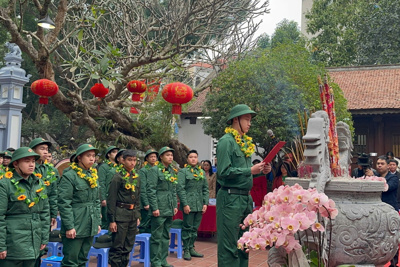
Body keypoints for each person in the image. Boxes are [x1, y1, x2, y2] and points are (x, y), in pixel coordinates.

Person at [216, 104, 271, 267]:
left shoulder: (244, 142)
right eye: (246, 119)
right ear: (235, 119)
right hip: (230, 198)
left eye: (250, 120)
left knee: (244, 244)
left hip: (245, 198)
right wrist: (250, 170)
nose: (250, 123)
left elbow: (246, 172)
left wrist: (262, 170)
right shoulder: (226, 141)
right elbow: (223, 172)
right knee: (229, 246)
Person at [0, 147, 50, 267]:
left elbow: (44, 213)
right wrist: (1, 245)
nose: (31, 165)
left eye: (33, 161)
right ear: (16, 163)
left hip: (34, 242)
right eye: (27, 161)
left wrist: (44, 238)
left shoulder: (39, 183)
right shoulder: (5, 184)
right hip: (13, 244)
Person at [58, 144, 101, 267]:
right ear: (79, 158)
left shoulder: (93, 175)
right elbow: (64, 203)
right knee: (71, 262)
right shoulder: (69, 176)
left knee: (83, 259)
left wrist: (97, 221)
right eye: (88, 156)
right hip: (76, 223)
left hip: (90, 223)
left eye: (93, 156)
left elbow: (96, 201)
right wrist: (69, 226)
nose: (92, 159)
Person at [107, 150, 141, 267]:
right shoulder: (118, 177)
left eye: (134, 160)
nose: (132, 163)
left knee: (128, 245)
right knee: (118, 246)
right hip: (120, 214)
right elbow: (111, 199)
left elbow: (137, 198)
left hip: (132, 215)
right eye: (129, 160)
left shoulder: (136, 176)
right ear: (123, 161)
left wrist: (137, 215)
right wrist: (112, 220)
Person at [147, 146, 178, 267]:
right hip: (159, 207)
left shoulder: (171, 170)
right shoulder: (154, 170)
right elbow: (151, 190)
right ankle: (155, 262)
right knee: (156, 236)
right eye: (167, 155)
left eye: (171, 155)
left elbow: (173, 189)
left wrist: (174, 205)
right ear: (161, 157)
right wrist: (154, 207)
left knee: (166, 235)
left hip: (169, 207)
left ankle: (163, 260)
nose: (170, 157)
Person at [177, 150, 209, 261]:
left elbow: (205, 189)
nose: (193, 159)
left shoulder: (201, 172)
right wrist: (185, 204)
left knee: (195, 228)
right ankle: (186, 249)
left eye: (195, 157)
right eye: (191, 157)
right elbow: (180, 189)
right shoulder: (183, 172)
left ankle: (192, 248)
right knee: (187, 227)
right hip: (189, 204)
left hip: (199, 204)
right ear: (187, 159)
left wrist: (205, 203)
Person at [29, 138, 59, 228]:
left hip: (45, 213)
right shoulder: (28, 169)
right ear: (33, 150)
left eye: (46, 149)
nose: (45, 152)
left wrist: (53, 214)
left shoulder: (51, 170)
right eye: (42, 149)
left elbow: (54, 193)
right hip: (30, 212)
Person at [98, 145, 119, 230]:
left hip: (117, 197)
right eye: (114, 152)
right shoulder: (104, 167)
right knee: (107, 219)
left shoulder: (119, 167)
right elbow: (101, 183)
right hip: (107, 196)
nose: (116, 154)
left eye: (117, 152)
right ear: (108, 155)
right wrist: (103, 198)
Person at [138, 148, 159, 233]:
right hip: (146, 202)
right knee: (145, 223)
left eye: (155, 157)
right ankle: (143, 244)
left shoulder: (158, 169)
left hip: (155, 200)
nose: (153, 158)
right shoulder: (143, 170)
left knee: (153, 224)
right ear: (147, 158)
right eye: (151, 157)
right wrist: (146, 203)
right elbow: (143, 187)